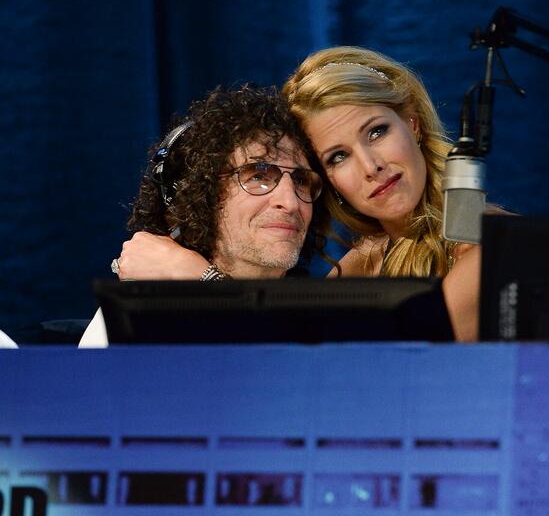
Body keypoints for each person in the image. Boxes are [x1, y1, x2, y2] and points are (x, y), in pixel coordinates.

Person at [106, 47, 482, 341]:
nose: (371, 166)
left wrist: (199, 279)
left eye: (376, 132)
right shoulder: (364, 260)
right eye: (338, 157)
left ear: (412, 123)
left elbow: (362, 379)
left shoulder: (485, 249)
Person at [79, 84, 328, 347]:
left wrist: (205, 281)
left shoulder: (324, 316)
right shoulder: (135, 316)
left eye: (301, 181)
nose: (290, 202)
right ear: (200, 195)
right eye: (258, 176)